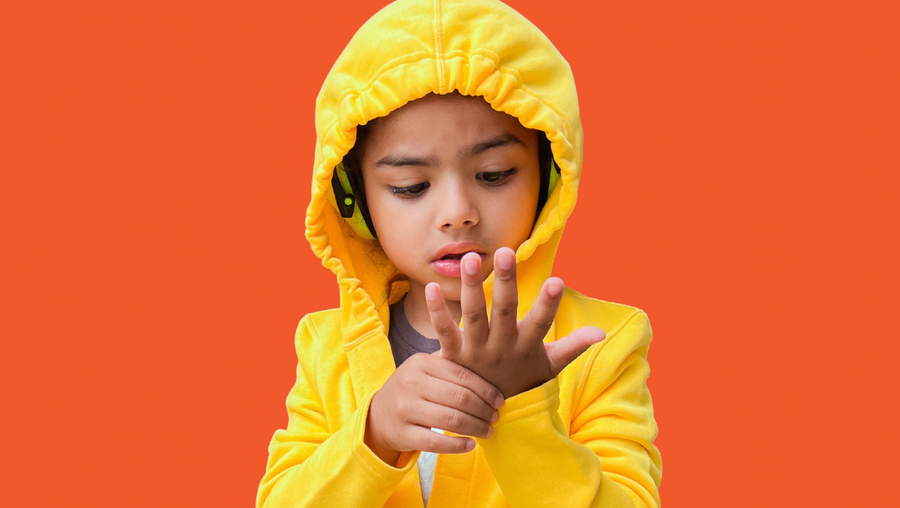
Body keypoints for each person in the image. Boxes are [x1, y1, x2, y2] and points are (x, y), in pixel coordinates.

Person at [256, 0, 662, 506]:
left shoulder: (602, 343)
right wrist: (374, 434)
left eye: (494, 175)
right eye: (410, 186)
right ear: (356, 199)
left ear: (549, 176)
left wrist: (521, 407)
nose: (457, 213)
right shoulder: (324, 348)